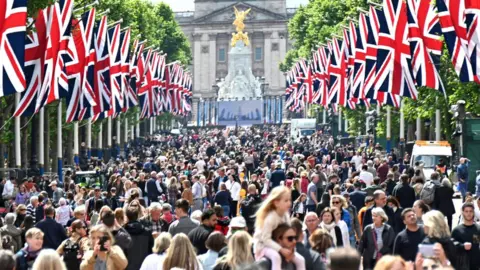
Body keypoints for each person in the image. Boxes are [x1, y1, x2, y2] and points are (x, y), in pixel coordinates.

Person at [253, 186, 305, 270]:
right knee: (276, 257)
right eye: (286, 201)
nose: (289, 203)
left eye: (289, 200)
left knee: (300, 260)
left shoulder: (285, 215)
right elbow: (265, 239)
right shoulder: (270, 218)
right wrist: (281, 249)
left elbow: (288, 235)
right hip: (262, 246)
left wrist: (291, 250)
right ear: (276, 203)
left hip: (279, 245)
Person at [124, 204, 154, 270]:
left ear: (126, 217)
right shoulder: (147, 232)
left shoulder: (122, 233)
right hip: (144, 266)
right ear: (137, 216)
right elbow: (151, 250)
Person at [451, 202, 480, 270]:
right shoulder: (457, 230)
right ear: (463, 213)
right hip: (461, 265)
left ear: (473, 213)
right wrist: (462, 246)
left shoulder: (477, 229)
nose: (468, 213)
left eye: (470, 211)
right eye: (466, 211)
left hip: (475, 265)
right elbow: (451, 246)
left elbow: (476, 244)